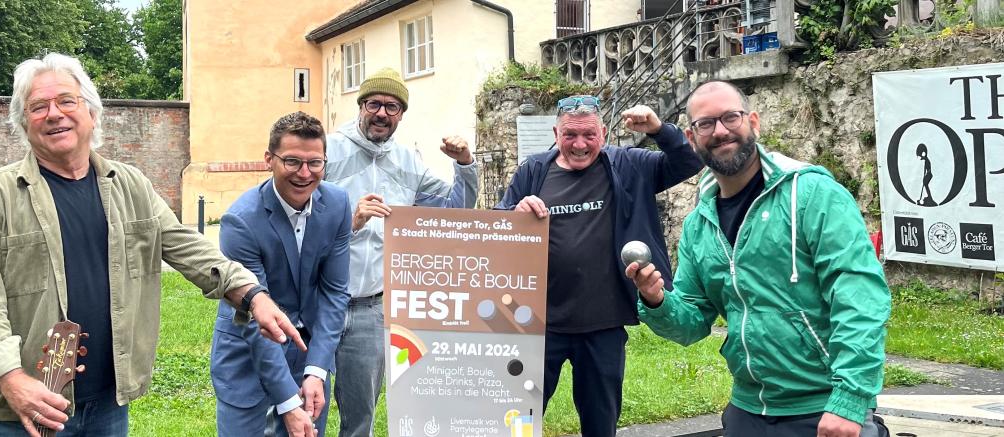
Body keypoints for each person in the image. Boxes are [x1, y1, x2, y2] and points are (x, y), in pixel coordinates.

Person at [0, 53, 300, 437]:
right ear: (24, 122)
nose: (54, 114)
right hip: (32, 409)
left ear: (92, 112)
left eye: (67, 101)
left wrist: (252, 294)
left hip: (108, 404)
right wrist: (11, 380)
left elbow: (189, 248)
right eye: (39, 107)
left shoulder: (129, 185)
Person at [626, 80, 891, 437]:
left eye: (730, 118)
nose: (720, 131)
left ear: (753, 122)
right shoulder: (698, 225)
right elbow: (691, 323)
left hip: (824, 408)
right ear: (691, 138)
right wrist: (656, 300)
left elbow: (860, 299)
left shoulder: (811, 193)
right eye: (706, 124)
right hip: (747, 411)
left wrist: (849, 400)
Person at [496, 95, 704, 435]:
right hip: (540, 325)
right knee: (517, 422)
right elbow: (498, 222)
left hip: (604, 325)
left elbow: (688, 162)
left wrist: (658, 129)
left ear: (603, 133)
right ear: (556, 132)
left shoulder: (630, 165)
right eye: (570, 135)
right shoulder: (534, 170)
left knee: (600, 425)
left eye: (589, 135)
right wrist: (514, 213)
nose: (579, 144)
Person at [324, 67, 479, 436]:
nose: (382, 113)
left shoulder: (409, 162)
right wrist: (351, 219)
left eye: (392, 107)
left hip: (371, 308)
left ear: (401, 115)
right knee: (303, 408)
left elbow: (455, 211)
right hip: (320, 300)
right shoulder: (328, 150)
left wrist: (465, 164)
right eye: (374, 104)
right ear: (360, 105)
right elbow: (300, 219)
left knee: (361, 418)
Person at [210, 111, 351, 437]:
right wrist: (288, 402)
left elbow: (334, 293)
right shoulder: (241, 221)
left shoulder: (339, 205)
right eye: (292, 162)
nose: (305, 173)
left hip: (309, 352)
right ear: (269, 160)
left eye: (315, 163)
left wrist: (316, 370)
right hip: (248, 355)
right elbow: (256, 312)